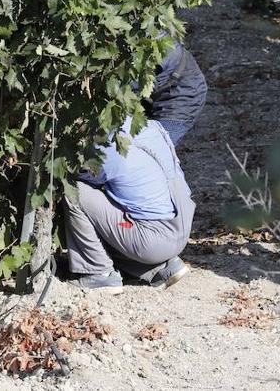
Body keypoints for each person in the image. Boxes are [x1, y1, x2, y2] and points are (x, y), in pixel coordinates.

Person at [67, 117, 194, 292]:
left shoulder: (107, 147)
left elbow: (81, 176)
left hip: (152, 240)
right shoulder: (147, 125)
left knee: (74, 192)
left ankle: (99, 273)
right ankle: (161, 267)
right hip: (182, 225)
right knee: (124, 197)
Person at [146, 41, 206, 145]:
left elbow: (134, 84)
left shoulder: (161, 53)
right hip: (158, 96)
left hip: (182, 103)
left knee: (157, 146)